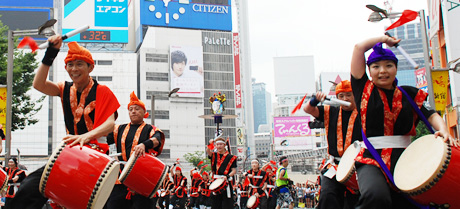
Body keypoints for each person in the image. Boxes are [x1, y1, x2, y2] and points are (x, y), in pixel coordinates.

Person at [350, 36, 459, 209]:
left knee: (412, 203)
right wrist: (385, 39)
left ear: (396, 69)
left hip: (407, 158)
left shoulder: (410, 94)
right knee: (376, 196)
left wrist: (444, 129)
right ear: (369, 71)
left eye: (388, 66)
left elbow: (431, 115)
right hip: (371, 158)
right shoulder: (364, 89)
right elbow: (358, 47)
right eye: (376, 67)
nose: (382, 71)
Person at [11, 36, 120, 208]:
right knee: (30, 188)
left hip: (94, 155)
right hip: (71, 154)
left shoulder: (102, 91)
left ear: (90, 67)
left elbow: (110, 124)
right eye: (70, 65)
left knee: (88, 201)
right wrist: (51, 53)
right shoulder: (64, 88)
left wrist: (86, 136)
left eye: (79, 64)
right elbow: (38, 84)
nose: (74, 69)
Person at [303, 80, 360, 209]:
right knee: (327, 195)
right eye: (341, 96)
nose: (345, 99)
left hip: (359, 165)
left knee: (357, 201)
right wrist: (315, 100)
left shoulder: (364, 112)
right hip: (335, 165)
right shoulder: (331, 111)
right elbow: (308, 109)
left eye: (348, 95)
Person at [105, 91, 165, 209]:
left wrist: (144, 145)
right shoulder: (118, 129)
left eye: (137, 109)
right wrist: (113, 154)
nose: (133, 111)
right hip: (120, 178)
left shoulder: (150, 129)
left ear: (144, 112)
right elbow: (108, 138)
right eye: (131, 109)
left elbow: (157, 139)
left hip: (141, 178)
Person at [205, 137, 237, 209]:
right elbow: (208, 151)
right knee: (215, 204)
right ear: (215, 146)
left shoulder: (231, 157)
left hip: (226, 181)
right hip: (216, 181)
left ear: (224, 145)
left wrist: (227, 176)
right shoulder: (214, 155)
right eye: (217, 144)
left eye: (221, 144)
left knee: (227, 204)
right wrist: (210, 143)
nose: (219, 146)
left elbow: (234, 170)